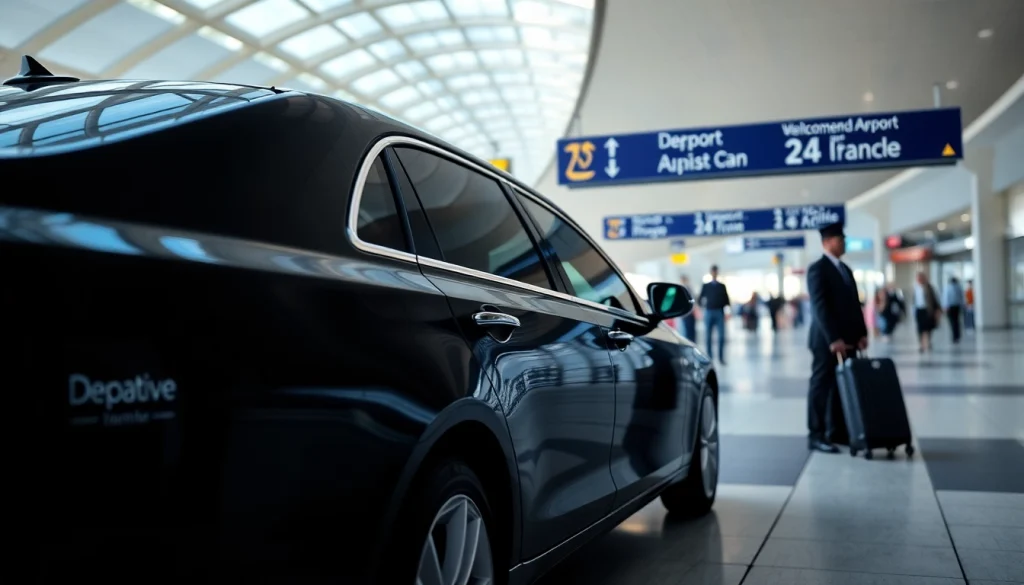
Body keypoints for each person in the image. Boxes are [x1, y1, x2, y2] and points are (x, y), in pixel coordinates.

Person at [805, 222, 868, 454]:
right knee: (821, 386)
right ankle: (816, 434)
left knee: (841, 387)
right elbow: (820, 307)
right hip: (826, 342)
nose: (844, 243)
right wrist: (833, 339)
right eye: (841, 239)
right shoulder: (817, 269)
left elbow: (855, 305)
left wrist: (862, 333)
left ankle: (837, 432)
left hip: (848, 340)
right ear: (828, 242)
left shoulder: (845, 270)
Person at [697, 265, 731, 365]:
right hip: (709, 312)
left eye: (716, 271)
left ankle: (721, 357)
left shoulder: (722, 286)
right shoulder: (706, 286)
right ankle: (709, 357)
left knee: (721, 336)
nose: (714, 273)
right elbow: (700, 299)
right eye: (713, 271)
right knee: (708, 336)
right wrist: (703, 307)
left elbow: (726, 300)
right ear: (711, 272)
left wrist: (728, 312)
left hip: (719, 312)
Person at [913, 271, 941, 353]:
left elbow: (934, 299)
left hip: (927, 310)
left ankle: (928, 342)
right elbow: (914, 300)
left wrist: (937, 310)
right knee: (920, 328)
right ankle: (921, 344)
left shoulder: (929, 288)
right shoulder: (915, 288)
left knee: (928, 327)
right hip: (919, 309)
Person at [943, 276, 965, 343]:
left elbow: (946, 298)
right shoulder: (959, 287)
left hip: (950, 307)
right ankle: (957, 335)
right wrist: (962, 306)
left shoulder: (948, 288)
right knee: (957, 321)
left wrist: (945, 306)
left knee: (952, 322)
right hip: (957, 306)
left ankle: (954, 336)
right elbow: (962, 298)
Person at [679, 275, 698, 343]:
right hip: (686, 314)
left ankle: (691, 343)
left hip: (688, 313)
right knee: (688, 330)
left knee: (689, 330)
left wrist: (691, 308)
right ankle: (691, 342)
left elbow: (692, 300)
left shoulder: (687, 289)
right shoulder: (684, 289)